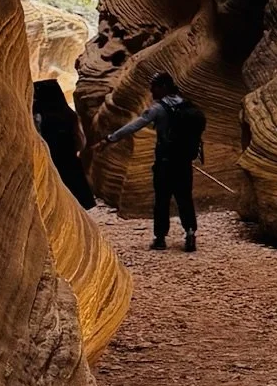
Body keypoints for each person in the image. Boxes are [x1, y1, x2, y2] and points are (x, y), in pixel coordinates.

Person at [99, 69, 207, 252]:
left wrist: (111, 138)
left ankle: (160, 238)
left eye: (154, 87)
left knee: (162, 200)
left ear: (163, 87)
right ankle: (190, 233)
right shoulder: (187, 105)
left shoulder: (158, 109)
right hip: (183, 162)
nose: (151, 91)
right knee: (184, 198)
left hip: (165, 162)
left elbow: (135, 125)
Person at [31, 77, 96, 210]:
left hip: (52, 162)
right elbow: (81, 141)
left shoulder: (39, 117)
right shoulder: (69, 114)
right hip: (70, 161)